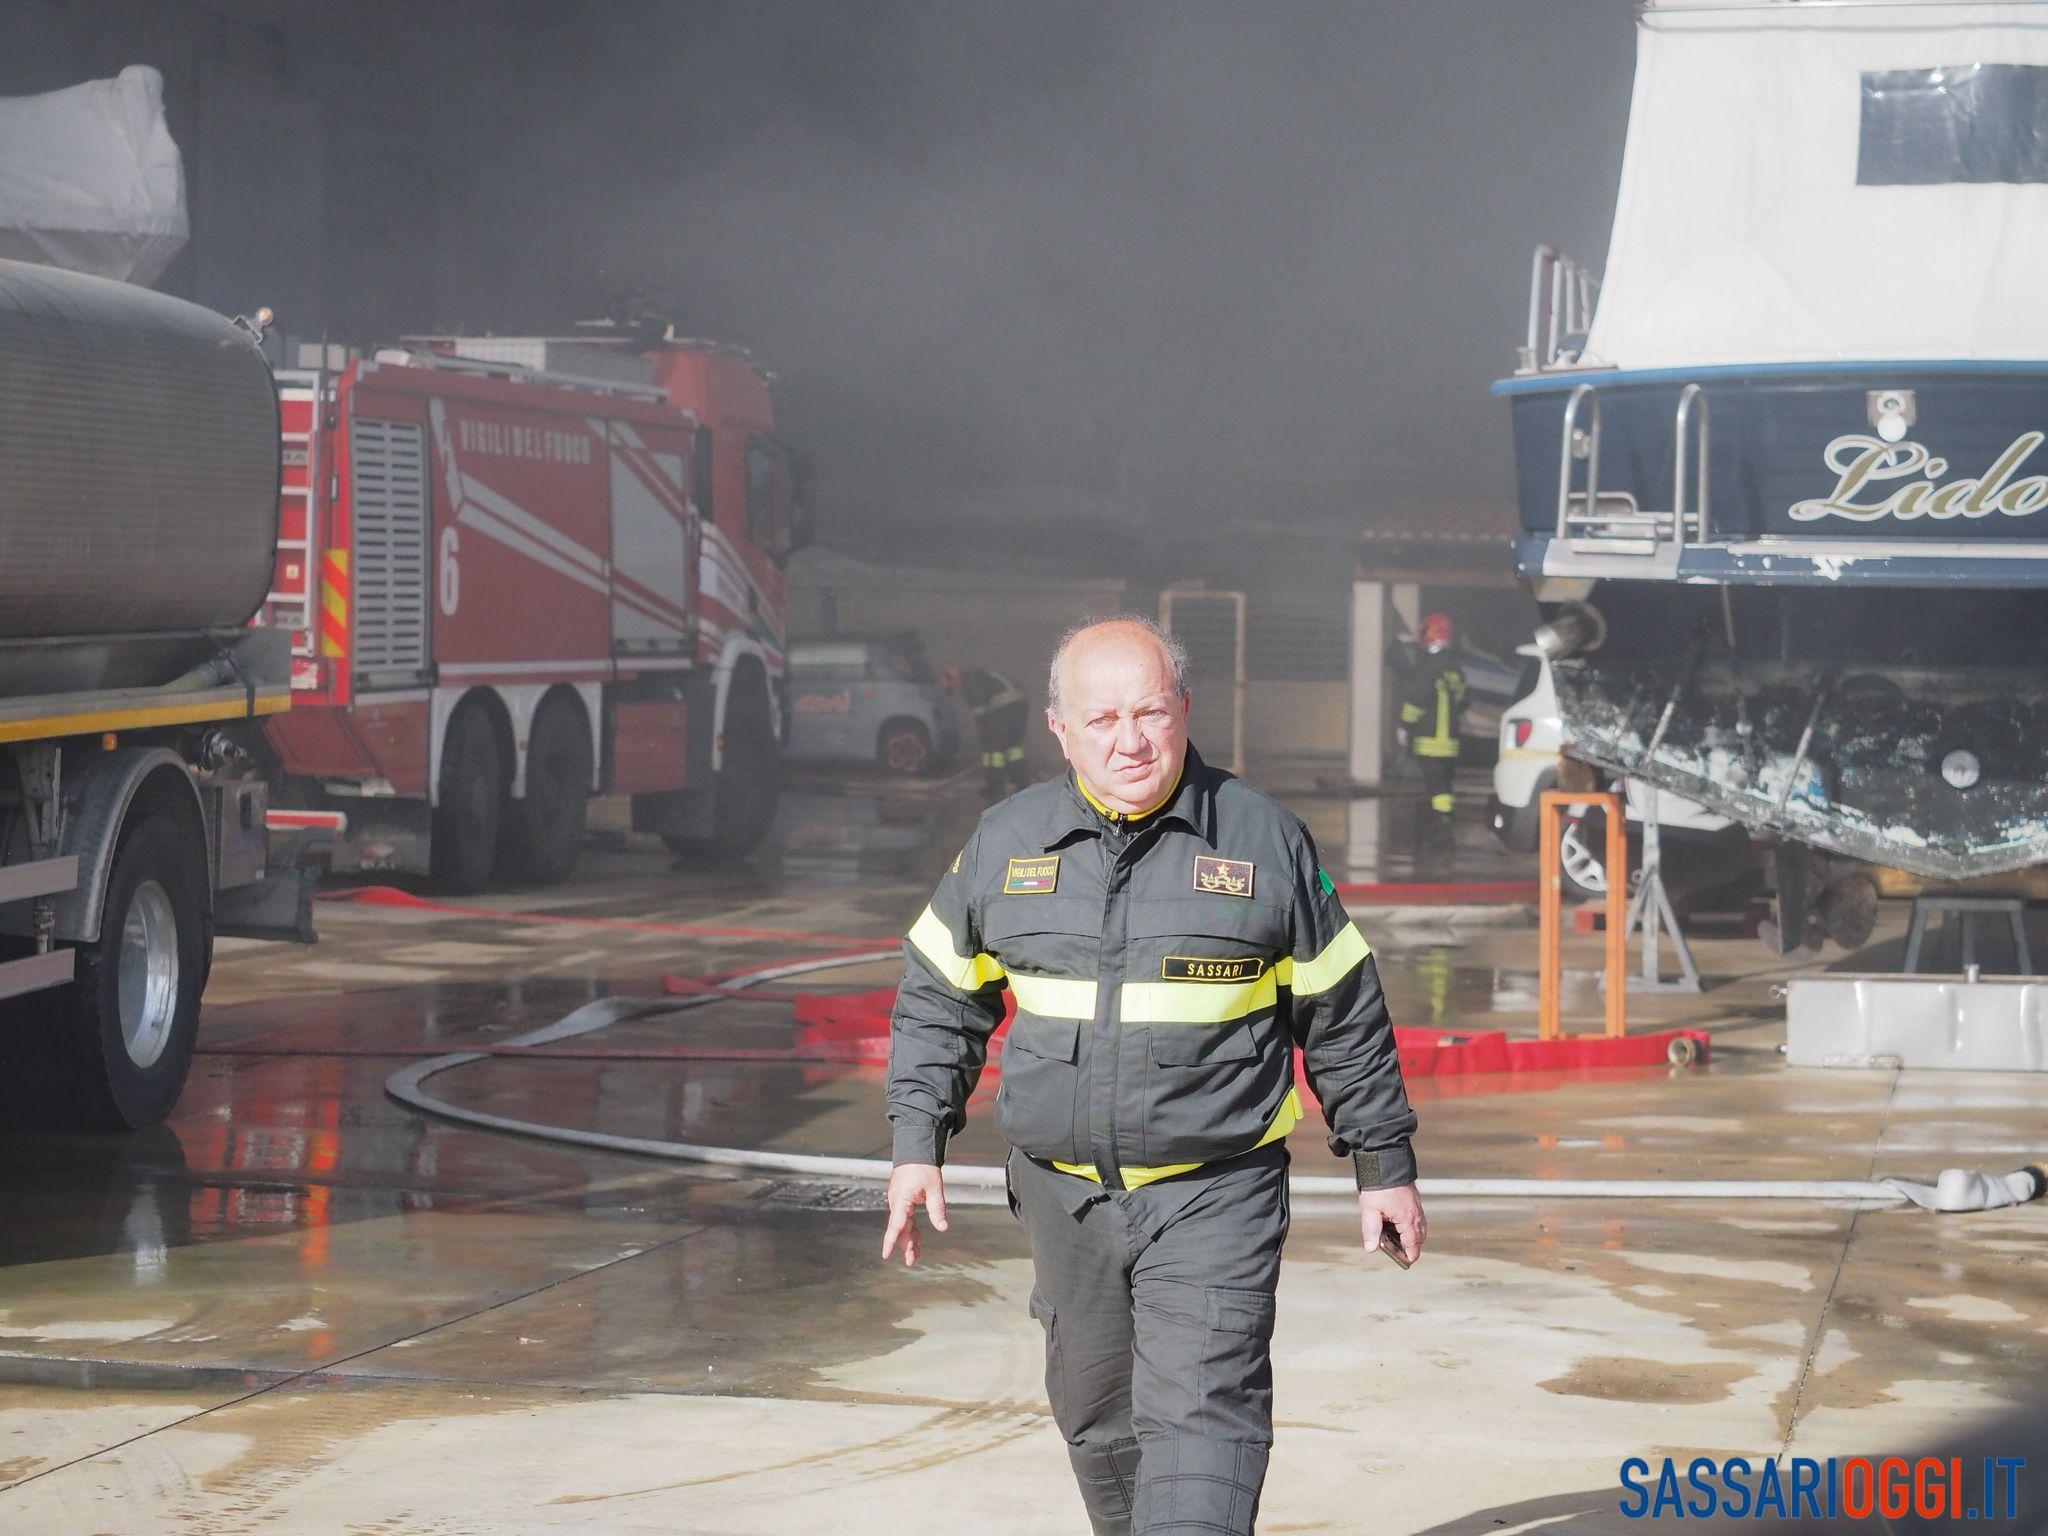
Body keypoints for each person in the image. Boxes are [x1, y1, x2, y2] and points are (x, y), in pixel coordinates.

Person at [886, 615, 1423, 1536]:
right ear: (1058, 729)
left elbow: (1342, 1013)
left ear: (1185, 708)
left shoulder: (1262, 841)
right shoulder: (1004, 846)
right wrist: (915, 1146)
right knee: (1099, 1426)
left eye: (1149, 712)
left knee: (1202, 1424)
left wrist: (1385, 1164)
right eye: (1101, 719)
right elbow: (940, 1000)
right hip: (1064, 1203)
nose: (1129, 740)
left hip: (1216, 1195)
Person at [1396, 611, 1468, 849]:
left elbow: (1415, 700)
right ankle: (1443, 824)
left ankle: (1442, 828)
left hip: (1429, 740)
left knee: (1436, 787)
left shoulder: (1427, 666)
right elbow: (1465, 701)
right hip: (1451, 742)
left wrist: (1404, 726)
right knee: (1445, 785)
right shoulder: (1454, 668)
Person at [948, 664, 1031, 799]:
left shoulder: (969, 681)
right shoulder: (983, 676)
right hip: (1020, 706)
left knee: (992, 749)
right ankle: (1023, 783)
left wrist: (981, 727)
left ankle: (995, 787)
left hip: (1004, 708)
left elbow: (978, 707)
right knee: (1013, 747)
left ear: (956, 677)